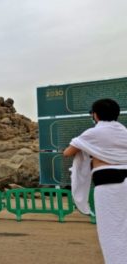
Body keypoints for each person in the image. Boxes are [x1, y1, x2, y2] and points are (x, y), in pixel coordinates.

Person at [63, 98, 127, 264]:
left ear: (96, 115)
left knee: (111, 229)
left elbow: (68, 152)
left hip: (109, 184)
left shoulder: (94, 133)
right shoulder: (124, 131)